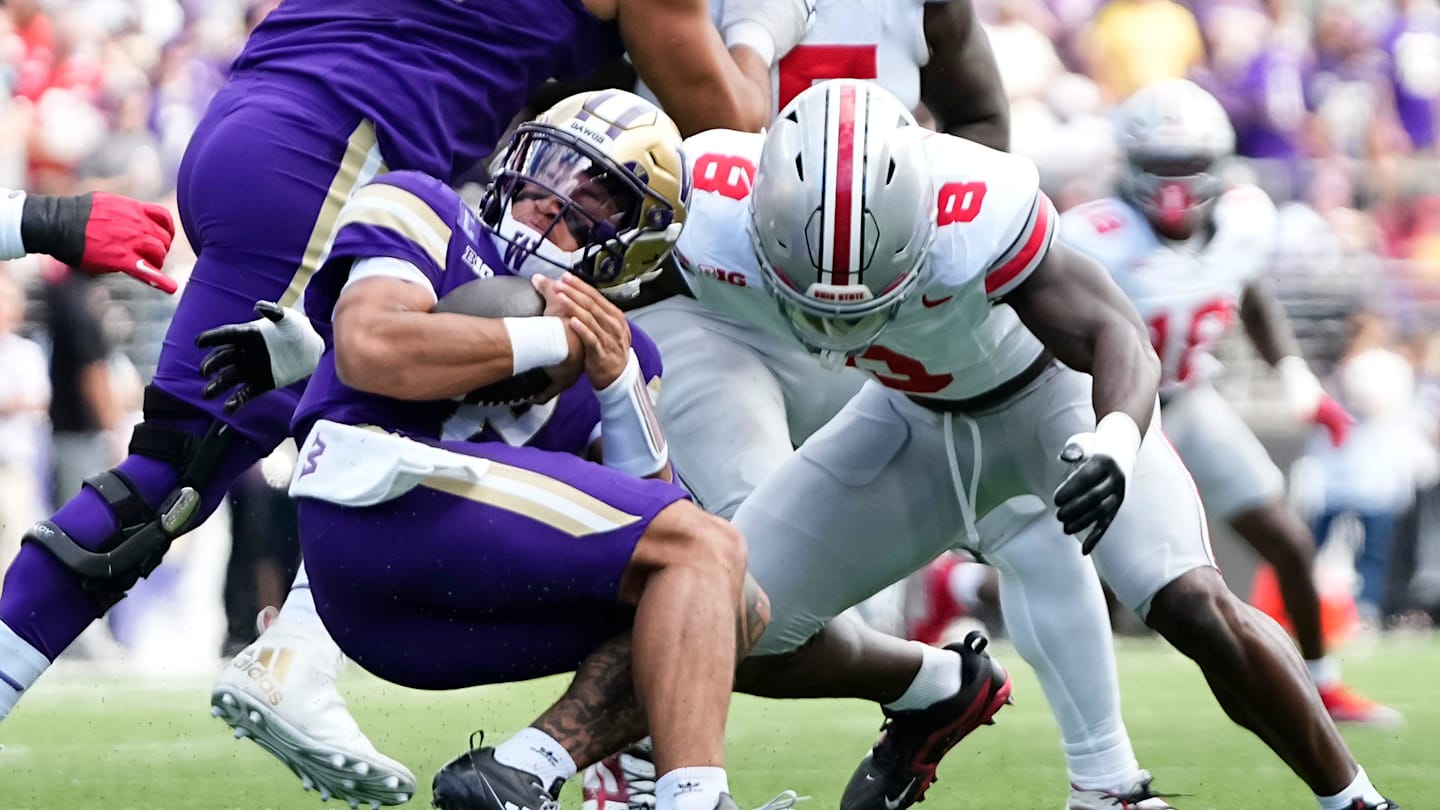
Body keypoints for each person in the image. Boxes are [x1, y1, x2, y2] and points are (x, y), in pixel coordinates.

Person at [0, 0, 817, 805]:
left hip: (272, 110)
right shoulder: (431, 204)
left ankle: (325, 662)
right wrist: (761, 25)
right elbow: (728, 126)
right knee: (179, 475)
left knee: (415, 421)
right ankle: (295, 657)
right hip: (342, 135)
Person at [665, 79, 1396, 810]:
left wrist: (1114, 438)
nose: (839, 304)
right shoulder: (704, 210)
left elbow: (1116, 334)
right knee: (730, 623)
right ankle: (933, 692)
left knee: (1190, 600)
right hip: (907, 418)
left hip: (1051, 403)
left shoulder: (977, 205)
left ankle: (1356, 800)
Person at [277, 91, 779, 810]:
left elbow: (658, 524)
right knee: (706, 550)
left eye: (595, 203)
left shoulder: (628, 348)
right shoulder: (424, 208)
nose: (558, 197)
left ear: (629, 247)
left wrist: (615, 381)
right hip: (367, 510)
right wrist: (551, 338)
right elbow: (369, 350)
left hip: (447, 602)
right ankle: (695, 802)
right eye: (556, 167)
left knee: (729, 599)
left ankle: (518, 772)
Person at [1058, 78, 1402, 727]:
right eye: (1160, 166)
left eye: (1188, 165)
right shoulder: (1093, 234)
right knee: (1095, 569)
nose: (1175, 184)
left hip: (1188, 397)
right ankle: (1092, 722)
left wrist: (1298, 379)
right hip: (1108, 411)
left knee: (1289, 542)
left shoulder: (1244, 219)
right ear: (1130, 166)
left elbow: (1251, 293)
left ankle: (1322, 683)